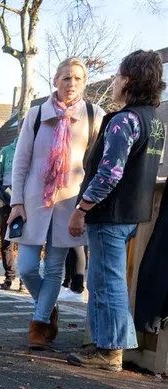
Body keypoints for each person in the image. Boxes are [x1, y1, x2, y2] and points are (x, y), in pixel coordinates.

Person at [67, 50, 166, 371]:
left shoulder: (125, 120)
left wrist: (81, 208)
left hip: (109, 213)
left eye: (119, 75)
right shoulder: (155, 121)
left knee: (108, 281)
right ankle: (101, 343)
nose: (113, 81)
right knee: (100, 279)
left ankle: (111, 351)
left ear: (131, 80)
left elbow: (110, 173)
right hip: (133, 213)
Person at [8, 57, 105, 349]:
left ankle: (38, 324)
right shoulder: (37, 114)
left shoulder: (94, 114)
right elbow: (21, 160)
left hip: (70, 203)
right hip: (34, 201)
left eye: (77, 78)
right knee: (25, 267)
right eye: (66, 78)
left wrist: (88, 204)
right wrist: (16, 202)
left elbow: (98, 162)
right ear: (55, 81)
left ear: (84, 82)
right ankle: (49, 308)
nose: (71, 83)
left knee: (53, 269)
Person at [0, 126, 24, 291]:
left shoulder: (37, 151)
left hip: (27, 204)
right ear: (19, 130)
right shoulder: (5, 152)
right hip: (6, 202)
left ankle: (25, 281)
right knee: (6, 241)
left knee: (26, 241)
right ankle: (9, 278)